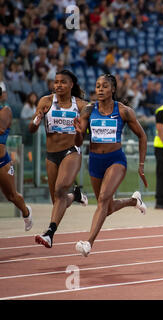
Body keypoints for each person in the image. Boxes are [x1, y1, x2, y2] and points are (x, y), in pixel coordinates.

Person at [73, 74, 148, 257]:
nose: (99, 89)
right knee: (106, 207)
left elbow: (142, 136)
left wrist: (141, 165)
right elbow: (78, 140)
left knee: (103, 200)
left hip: (116, 160)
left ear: (113, 89)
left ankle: (88, 243)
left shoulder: (123, 111)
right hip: (95, 162)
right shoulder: (89, 110)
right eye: (97, 86)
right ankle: (133, 201)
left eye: (104, 86)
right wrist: (77, 132)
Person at [30, 70, 89, 248]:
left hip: (71, 151)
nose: (58, 85)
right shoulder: (45, 101)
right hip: (51, 154)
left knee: (60, 189)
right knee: (58, 199)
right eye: (56, 82)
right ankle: (76, 195)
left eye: (63, 82)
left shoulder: (80, 105)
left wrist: (80, 132)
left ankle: (49, 233)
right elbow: (31, 129)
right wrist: (37, 120)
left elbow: (83, 137)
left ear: (71, 85)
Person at [0, 86, 33, 231]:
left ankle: (26, 212)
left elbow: (1, 128)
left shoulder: (6, 110)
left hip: (2, 163)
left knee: (12, 196)